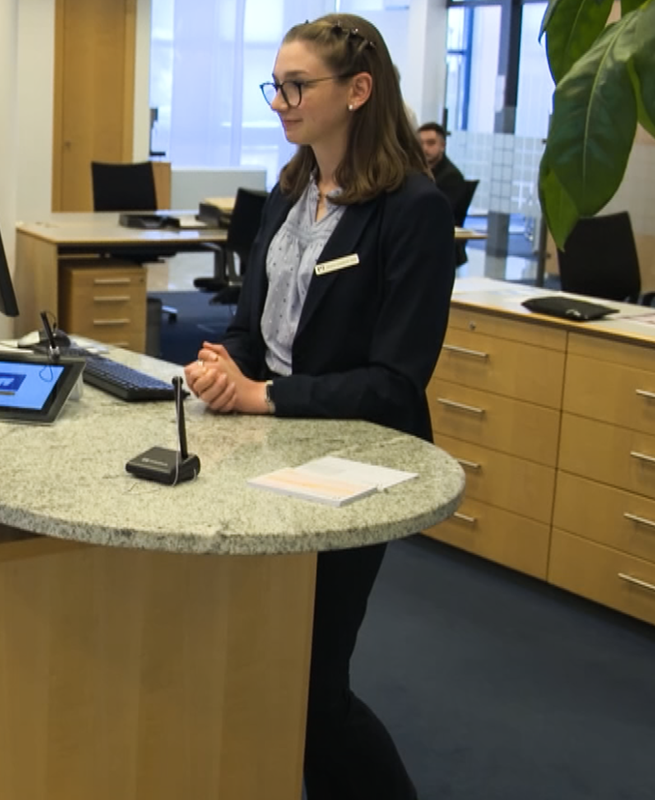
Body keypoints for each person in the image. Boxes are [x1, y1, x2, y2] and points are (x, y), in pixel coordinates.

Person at [185, 15, 453, 800]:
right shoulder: (292, 188)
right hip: (268, 446)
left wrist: (264, 395)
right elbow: (249, 325)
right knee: (264, 664)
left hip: (355, 460)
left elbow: (396, 383)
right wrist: (222, 365)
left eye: (297, 86)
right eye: (276, 85)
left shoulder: (412, 209)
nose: (280, 101)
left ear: (358, 91)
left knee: (311, 686)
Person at [418, 121, 471, 266]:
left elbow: (437, 212)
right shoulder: (416, 172)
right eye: (421, 143)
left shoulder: (451, 176)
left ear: (442, 146)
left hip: (441, 244)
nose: (424, 148)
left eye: (430, 143)